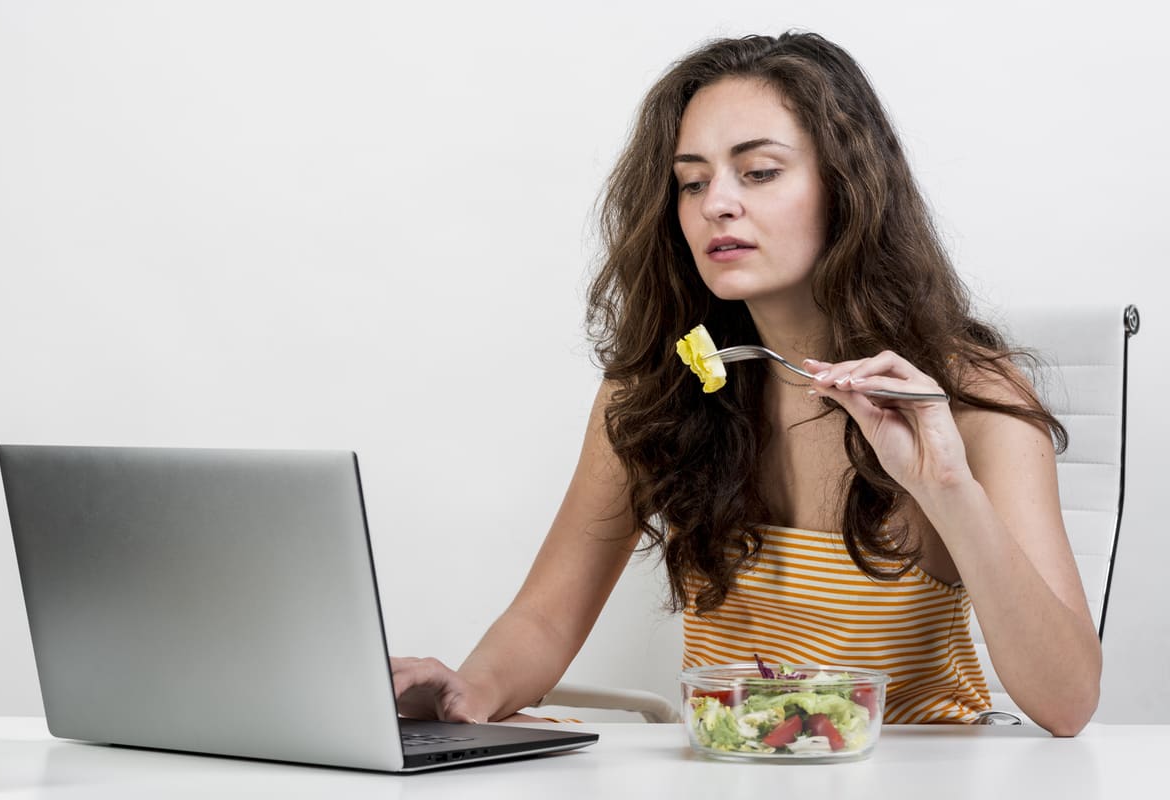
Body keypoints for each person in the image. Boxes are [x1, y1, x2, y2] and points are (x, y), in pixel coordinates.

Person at [391, 31, 1101, 737]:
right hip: (728, 773)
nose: (715, 205)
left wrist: (947, 488)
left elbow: (1067, 704)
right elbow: (546, 617)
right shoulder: (658, 390)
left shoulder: (971, 398)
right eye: (692, 182)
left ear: (848, 187)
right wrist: (467, 692)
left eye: (758, 172)